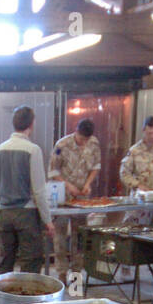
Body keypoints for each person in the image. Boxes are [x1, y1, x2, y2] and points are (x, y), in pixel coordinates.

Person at [0, 105, 54, 275]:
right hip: (26, 214)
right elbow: (39, 190)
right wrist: (47, 220)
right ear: (31, 124)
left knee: (6, 261)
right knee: (30, 263)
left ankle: (2, 298)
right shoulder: (33, 150)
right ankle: (28, 300)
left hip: (5, 214)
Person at [48, 118, 102, 282]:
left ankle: (77, 274)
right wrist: (67, 185)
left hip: (82, 198)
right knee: (60, 236)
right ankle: (62, 274)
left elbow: (95, 167)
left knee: (79, 238)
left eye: (86, 140)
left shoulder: (94, 144)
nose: (83, 142)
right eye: (81, 139)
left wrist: (87, 184)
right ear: (76, 131)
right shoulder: (62, 145)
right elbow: (52, 171)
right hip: (63, 198)